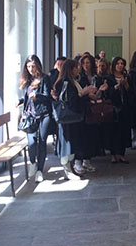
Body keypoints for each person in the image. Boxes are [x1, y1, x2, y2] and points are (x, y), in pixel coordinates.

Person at [53, 59, 94, 180]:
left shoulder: (72, 81)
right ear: (71, 69)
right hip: (68, 119)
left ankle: (71, 168)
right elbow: (71, 101)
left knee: (73, 144)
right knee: (68, 144)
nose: (79, 69)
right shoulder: (66, 82)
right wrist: (83, 93)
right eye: (77, 67)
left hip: (74, 119)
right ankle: (67, 169)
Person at [18, 55, 52, 183]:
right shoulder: (26, 80)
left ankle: (39, 170)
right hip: (30, 116)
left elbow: (47, 96)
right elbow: (26, 97)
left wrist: (36, 96)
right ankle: (32, 162)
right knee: (32, 142)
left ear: (37, 65)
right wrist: (21, 101)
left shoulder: (45, 79)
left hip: (44, 115)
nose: (31, 69)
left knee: (42, 142)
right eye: (28, 66)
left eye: (33, 66)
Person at [77, 54, 99, 173]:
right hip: (83, 109)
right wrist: (87, 94)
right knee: (82, 135)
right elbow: (79, 93)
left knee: (91, 135)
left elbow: (98, 89)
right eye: (84, 63)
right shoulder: (79, 77)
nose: (86, 65)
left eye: (88, 63)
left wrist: (99, 91)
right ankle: (79, 161)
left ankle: (87, 160)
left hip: (94, 108)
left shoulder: (96, 76)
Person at [110, 57, 132, 164]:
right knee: (113, 131)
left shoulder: (127, 77)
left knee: (124, 131)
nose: (120, 65)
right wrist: (116, 87)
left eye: (122, 63)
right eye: (118, 63)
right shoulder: (110, 78)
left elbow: (132, 93)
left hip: (125, 108)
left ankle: (122, 154)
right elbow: (108, 93)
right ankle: (113, 154)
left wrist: (126, 85)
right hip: (114, 108)